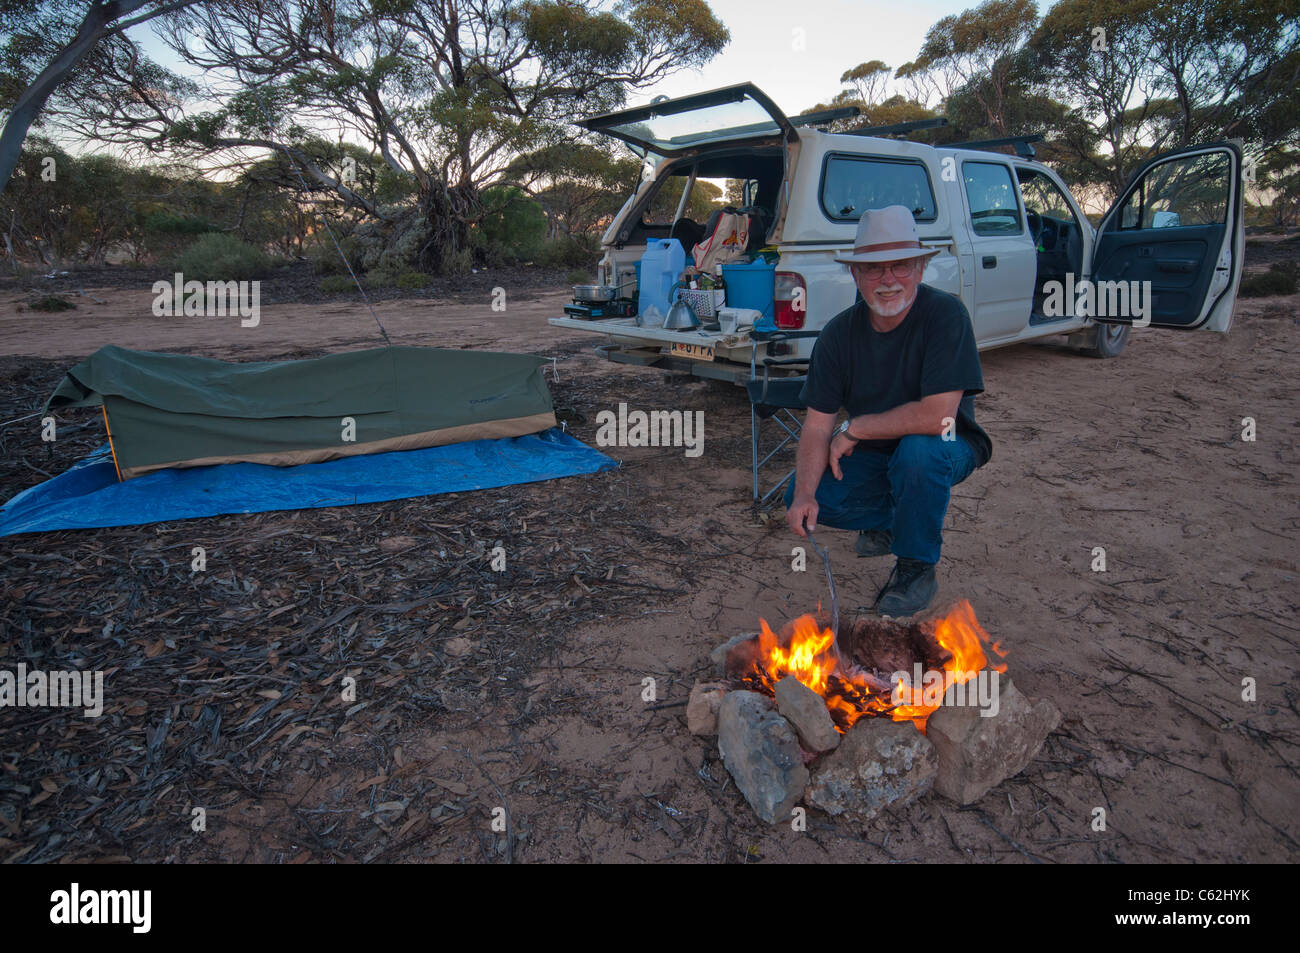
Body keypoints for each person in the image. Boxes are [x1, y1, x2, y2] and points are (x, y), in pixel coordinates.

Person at [784, 205, 992, 617]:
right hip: (879, 455)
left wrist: (857, 427)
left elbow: (940, 418)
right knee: (805, 492)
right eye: (875, 269)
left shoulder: (945, 316)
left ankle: (916, 567)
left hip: (948, 444)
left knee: (918, 453)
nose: (888, 280)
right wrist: (805, 495)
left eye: (900, 267)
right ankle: (899, 519)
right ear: (856, 275)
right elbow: (816, 425)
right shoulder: (838, 334)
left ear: (919, 268)